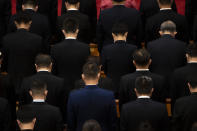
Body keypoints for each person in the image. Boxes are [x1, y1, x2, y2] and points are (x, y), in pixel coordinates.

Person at [2, 12, 44, 97]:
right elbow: (39, 61)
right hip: (31, 82)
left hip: (11, 81)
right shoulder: (37, 40)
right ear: (30, 23)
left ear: (15, 23)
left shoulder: (6, 39)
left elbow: (4, 62)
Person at [67, 62, 117, 131]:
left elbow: (71, 123)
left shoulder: (73, 96)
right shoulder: (109, 95)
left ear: (83, 76)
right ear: (99, 75)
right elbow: (113, 123)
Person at [20, 54, 67, 121]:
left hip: (31, 121)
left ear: (36, 66)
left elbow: (22, 106)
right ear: (51, 65)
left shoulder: (26, 81)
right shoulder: (60, 82)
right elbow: (63, 105)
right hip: (52, 121)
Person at [147, 21, 186, 95]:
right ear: (175, 32)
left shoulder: (150, 45)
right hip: (176, 84)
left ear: (160, 32)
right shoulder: (183, 45)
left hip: (156, 84)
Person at [51, 18, 90, 89]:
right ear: (77, 31)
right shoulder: (85, 48)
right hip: (80, 86)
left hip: (61, 86)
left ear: (63, 31)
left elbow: (53, 70)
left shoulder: (55, 48)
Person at [101, 23, 137, 97]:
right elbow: (135, 67)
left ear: (113, 34)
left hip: (111, 86)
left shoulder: (106, 49)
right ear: (126, 34)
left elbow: (104, 67)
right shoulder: (133, 49)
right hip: (129, 86)